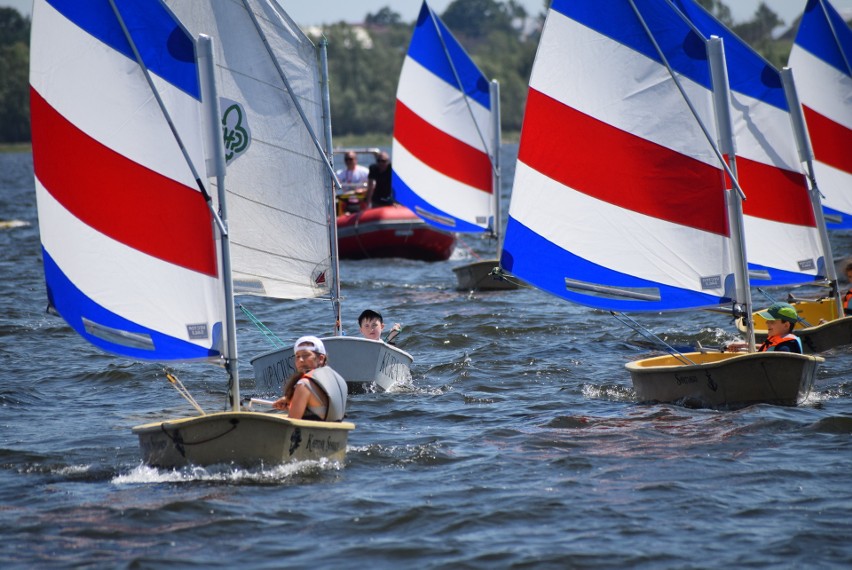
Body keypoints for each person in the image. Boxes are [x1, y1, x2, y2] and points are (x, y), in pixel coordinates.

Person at [272, 336, 347, 421]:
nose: (300, 360)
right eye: (297, 356)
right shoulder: (340, 381)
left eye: (306, 355)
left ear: (321, 358)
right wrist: (291, 402)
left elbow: (292, 424)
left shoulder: (304, 384)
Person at [726, 302, 802, 353]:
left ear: (786, 325)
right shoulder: (781, 342)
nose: (766, 323)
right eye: (767, 320)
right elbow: (770, 348)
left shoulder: (785, 348)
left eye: (772, 321)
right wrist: (744, 345)